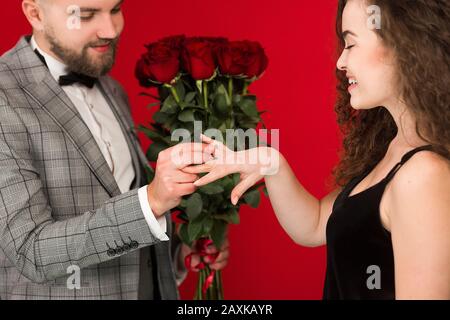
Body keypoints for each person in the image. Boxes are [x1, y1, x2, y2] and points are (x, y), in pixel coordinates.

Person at [185, 0, 450, 299]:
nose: (340, 62)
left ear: (403, 45)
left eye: (350, 44)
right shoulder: (395, 149)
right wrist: (272, 164)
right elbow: (315, 225)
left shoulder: (424, 174)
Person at [0, 0, 228, 300]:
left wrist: (179, 251)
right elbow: (31, 250)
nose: (110, 30)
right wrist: (152, 201)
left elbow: (119, 204)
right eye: (86, 14)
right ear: (35, 13)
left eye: (116, 9)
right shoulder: (5, 96)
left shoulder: (112, 90)